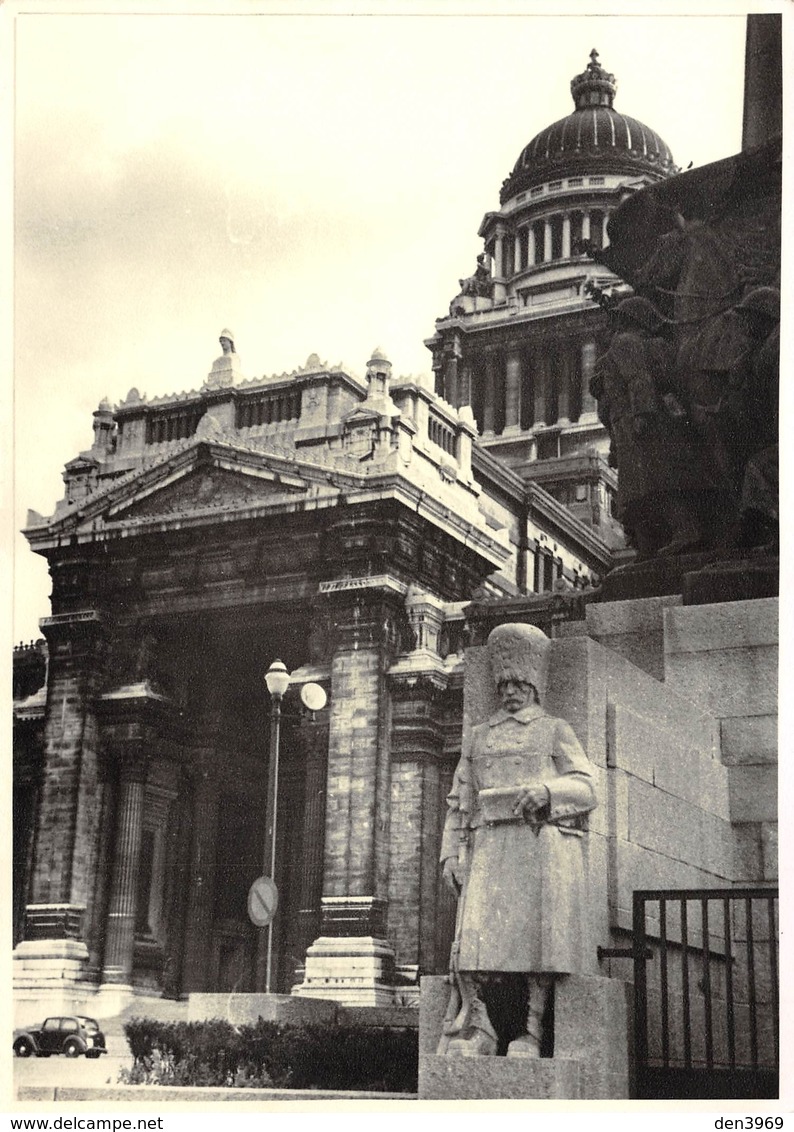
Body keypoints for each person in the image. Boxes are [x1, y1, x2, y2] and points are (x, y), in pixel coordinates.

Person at [438, 623, 597, 1058]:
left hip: (536, 848)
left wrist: (547, 792)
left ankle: (531, 1031)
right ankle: (482, 1028)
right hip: (488, 848)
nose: (510, 692)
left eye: (520, 684)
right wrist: (450, 853)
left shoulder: (554, 730)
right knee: (475, 945)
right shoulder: (480, 736)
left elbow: (587, 787)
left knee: (536, 946)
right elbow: (459, 801)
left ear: (534, 686)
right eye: (504, 684)